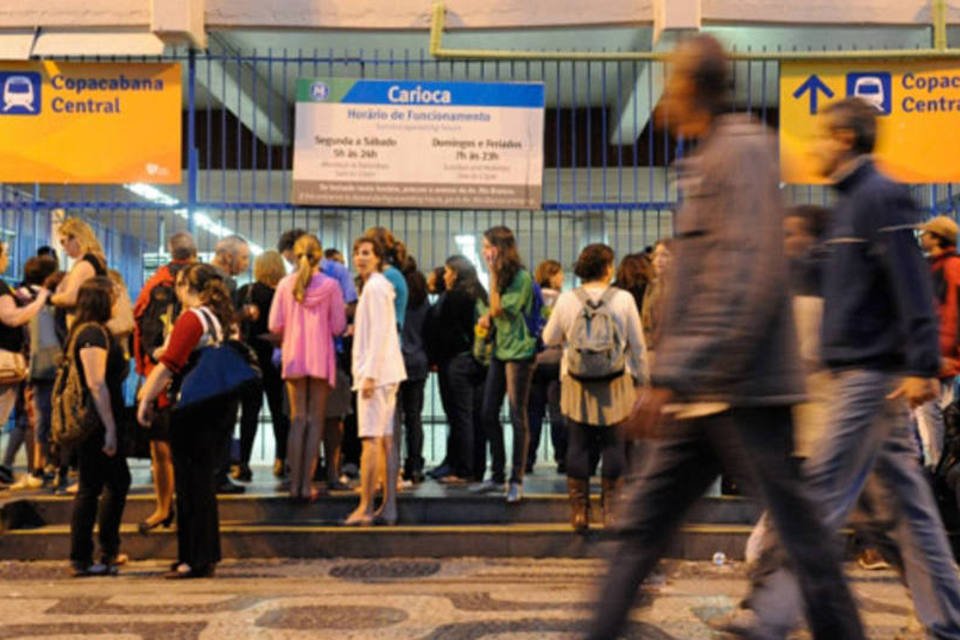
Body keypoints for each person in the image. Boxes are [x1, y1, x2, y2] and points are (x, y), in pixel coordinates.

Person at [587, 35, 865, 640]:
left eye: (671, 81)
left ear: (692, 87)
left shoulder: (741, 151)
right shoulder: (710, 154)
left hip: (744, 392)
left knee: (804, 542)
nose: (664, 96)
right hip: (702, 392)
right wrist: (674, 377)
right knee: (641, 532)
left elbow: (745, 276)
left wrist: (676, 373)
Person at [727, 98, 960, 640]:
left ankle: (771, 614)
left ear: (847, 139)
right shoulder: (854, 204)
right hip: (865, 375)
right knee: (908, 512)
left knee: (820, 496)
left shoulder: (879, 197)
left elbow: (911, 286)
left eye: (824, 137)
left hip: (869, 376)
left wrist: (922, 364)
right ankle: (949, 617)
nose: (816, 148)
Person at [137, 263, 237, 579]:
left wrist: (145, 399)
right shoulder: (220, 319)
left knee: (190, 485)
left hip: (192, 410)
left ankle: (191, 558)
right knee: (203, 485)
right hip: (215, 408)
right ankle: (205, 554)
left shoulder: (193, 318)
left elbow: (168, 364)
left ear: (183, 285)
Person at [542, 244, 644, 532]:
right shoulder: (623, 299)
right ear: (608, 267)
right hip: (616, 381)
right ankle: (610, 510)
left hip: (576, 383)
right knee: (614, 445)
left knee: (578, 445)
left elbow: (549, 338)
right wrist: (643, 380)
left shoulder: (566, 300)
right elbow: (637, 345)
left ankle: (579, 512)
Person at [268, 234, 346, 501]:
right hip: (321, 358)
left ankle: (294, 484)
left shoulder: (284, 285)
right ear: (319, 255)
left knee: (297, 419)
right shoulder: (332, 286)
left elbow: (274, 325)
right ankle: (307, 485)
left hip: (292, 357)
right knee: (315, 421)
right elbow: (338, 327)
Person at [132, 231, 197, 533]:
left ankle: (162, 507)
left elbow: (144, 334)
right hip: (192, 379)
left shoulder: (154, 286)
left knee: (161, 450)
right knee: (188, 451)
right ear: (194, 254)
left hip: (159, 377)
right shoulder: (198, 285)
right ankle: (182, 510)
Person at [67, 277, 131, 576]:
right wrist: (110, 427)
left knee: (108, 483)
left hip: (101, 420)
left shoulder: (92, 331)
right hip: (97, 422)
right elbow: (95, 382)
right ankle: (91, 553)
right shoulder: (92, 334)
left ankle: (101, 550)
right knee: (98, 486)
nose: (118, 300)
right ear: (102, 299)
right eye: (115, 295)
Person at [345, 236, 406, 526]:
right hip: (385, 372)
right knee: (385, 441)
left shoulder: (375, 288)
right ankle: (388, 507)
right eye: (357, 253)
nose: (360, 258)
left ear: (379, 257)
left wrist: (369, 374)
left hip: (376, 375)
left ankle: (366, 506)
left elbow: (380, 332)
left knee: (371, 442)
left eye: (366, 253)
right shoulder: (377, 287)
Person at [473, 226, 536, 503]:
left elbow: (499, 308)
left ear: (501, 247)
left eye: (488, 245)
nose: (485, 251)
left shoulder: (520, 277)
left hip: (520, 353)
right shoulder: (500, 277)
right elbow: (493, 311)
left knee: (516, 413)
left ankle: (516, 478)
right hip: (500, 350)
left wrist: (492, 274)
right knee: (488, 411)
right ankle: (496, 472)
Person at [425, 255, 489, 484]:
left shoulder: (454, 297)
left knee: (459, 416)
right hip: (480, 361)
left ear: (456, 273)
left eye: (447, 271)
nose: (444, 275)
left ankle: (463, 470)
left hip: (456, 361)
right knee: (476, 416)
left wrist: (435, 356)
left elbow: (442, 330)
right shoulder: (480, 293)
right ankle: (476, 467)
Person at [0, 245, 53, 486]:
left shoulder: (11, 289)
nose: (7, 259)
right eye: (5, 254)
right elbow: (12, 318)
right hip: (7, 360)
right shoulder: (3, 289)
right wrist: (40, 300)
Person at [234, 250, 288, 483]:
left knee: (249, 413)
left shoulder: (246, 292)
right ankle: (281, 459)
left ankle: (243, 462)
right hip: (277, 359)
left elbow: (232, 319)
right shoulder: (283, 295)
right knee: (279, 412)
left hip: (250, 359)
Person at [916, 215, 960, 470]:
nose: (922, 237)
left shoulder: (950, 267)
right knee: (934, 409)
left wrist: (942, 351)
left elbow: (950, 311)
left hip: (941, 352)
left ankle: (936, 464)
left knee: (930, 411)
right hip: (938, 350)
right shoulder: (935, 266)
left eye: (926, 234)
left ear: (937, 238)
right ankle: (938, 462)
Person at [210, 234, 251, 495]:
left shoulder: (201, 277)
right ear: (228, 256)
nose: (246, 263)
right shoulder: (223, 283)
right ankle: (219, 474)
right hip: (221, 359)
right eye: (243, 257)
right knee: (223, 420)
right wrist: (244, 314)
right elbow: (223, 321)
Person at [527, 259, 564, 474]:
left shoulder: (532, 298)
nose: (563, 278)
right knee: (558, 413)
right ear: (551, 275)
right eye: (559, 274)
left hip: (534, 360)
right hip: (556, 360)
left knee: (533, 413)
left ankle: (528, 458)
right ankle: (562, 459)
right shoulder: (562, 300)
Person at [399, 257, 430, 484]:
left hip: (396, 359)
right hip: (419, 360)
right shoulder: (422, 296)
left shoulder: (396, 293)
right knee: (414, 417)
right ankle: (415, 463)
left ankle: (394, 463)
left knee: (392, 417)